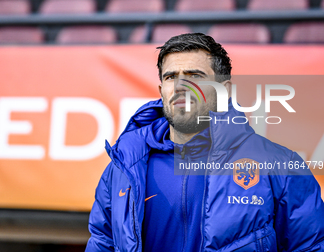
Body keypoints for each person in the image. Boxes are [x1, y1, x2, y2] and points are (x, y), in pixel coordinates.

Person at [85, 33, 324, 252]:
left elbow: (311, 246)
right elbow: (102, 242)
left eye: (194, 76)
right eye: (171, 77)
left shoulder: (282, 165)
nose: (180, 86)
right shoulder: (123, 168)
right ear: (161, 90)